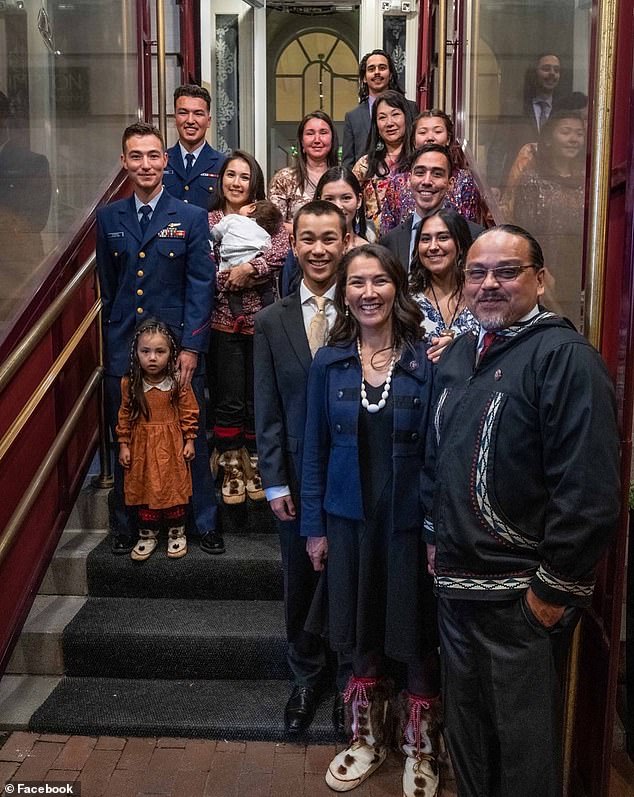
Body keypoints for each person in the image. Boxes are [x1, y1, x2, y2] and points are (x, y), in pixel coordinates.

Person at [424, 225, 621, 797]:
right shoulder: (460, 355)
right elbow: (436, 458)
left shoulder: (565, 358)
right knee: (471, 745)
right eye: (477, 273)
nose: (489, 284)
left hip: (521, 604)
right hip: (457, 595)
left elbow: (588, 494)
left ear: (540, 279)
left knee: (524, 759)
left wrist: (550, 593)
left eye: (506, 272)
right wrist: (436, 538)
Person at [301, 244, 440, 796]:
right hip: (348, 519)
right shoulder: (327, 364)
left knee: (413, 631)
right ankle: (366, 741)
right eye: (356, 283)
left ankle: (422, 748)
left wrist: (435, 530)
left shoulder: (425, 363)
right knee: (359, 627)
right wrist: (314, 526)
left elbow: (437, 452)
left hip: (407, 521)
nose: (368, 293)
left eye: (379, 281)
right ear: (344, 294)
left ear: (397, 289)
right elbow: (312, 450)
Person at [96, 122, 223, 555]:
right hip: (124, 349)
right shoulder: (109, 217)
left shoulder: (189, 217)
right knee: (126, 437)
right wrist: (114, 346)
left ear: (165, 161)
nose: (145, 164)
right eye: (136, 156)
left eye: (153, 156)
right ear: (124, 162)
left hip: (177, 351)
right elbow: (110, 288)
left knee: (193, 432)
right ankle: (126, 525)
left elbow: (201, 286)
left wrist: (191, 347)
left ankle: (202, 522)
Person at [254, 201, 351, 737]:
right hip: (293, 476)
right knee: (300, 578)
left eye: (329, 239)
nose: (318, 249)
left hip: (352, 473)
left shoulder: (365, 309)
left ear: (345, 241)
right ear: (293, 246)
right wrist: (272, 480)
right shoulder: (271, 321)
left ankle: (345, 681)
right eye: (308, 239)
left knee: (348, 578)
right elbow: (265, 409)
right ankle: (306, 677)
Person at [208, 151, 289, 505]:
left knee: (259, 396)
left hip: (263, 324)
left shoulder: (268, 218)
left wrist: (250, 269)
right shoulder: (208, 219)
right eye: (231, 175)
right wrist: (230, 276)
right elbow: (204, 267)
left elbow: (282, 250)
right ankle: (231, 464)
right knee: (228, 396)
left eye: (244, 176)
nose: (236, 182)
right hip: (222, 322)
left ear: (253, 183)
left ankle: (257, 463)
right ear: (220, 180)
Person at [116, 318, 198, 560]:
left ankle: (176, 532)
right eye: (146, 351)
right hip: (141, 446)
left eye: (160, 351)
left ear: (171, 353)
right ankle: (147, 534)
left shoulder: (176, 382)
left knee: (172, 487)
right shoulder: (130, 383)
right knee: (144, 486)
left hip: (171, 445)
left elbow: (189, 410)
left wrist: (189, 439)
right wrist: (123, 444)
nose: (152, 358)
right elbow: (124, 415)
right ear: (136, 353)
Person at [512, 112, 586, 327]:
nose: (573, 139)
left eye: (579, 134)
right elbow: (523, 230)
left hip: (576, 268)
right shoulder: (532, 179)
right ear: (549, 138)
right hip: (546, 269)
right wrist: (540, 268)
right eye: (566, 132)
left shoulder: (588, 179)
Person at [380, 144, 483, 272]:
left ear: (450, 184)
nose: (427, 181)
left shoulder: (476, 236)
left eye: (437, 174)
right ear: (409, 180)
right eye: (420, 173)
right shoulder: (390, 241)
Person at [380, 109, 483, 235]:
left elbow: (469, 229)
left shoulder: (464, 180)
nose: (430, 138)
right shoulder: (398, 182)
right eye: (423, 132)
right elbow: (388, 233)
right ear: (413, 140)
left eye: (438, 131)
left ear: (448, 138)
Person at [279, 166, 372, 297]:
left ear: (359, 200)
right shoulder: (302, 250)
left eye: (346, 198)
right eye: (329, 199)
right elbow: (286, 301)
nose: (338, 206)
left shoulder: (369, 251)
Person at [409, 208, 477, 360]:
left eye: (443, 237)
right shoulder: (406, 298)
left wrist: (460, 349)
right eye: (425, 239)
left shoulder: (481, 295)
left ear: (460, 244)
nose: (433, 247)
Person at [488, 53, 562, 189]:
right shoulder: (514, 107)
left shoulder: (563, 109)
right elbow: (498, 148)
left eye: (556, 70)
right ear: (534, 73)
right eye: (546, 69)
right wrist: (494, 185)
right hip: (517, 183)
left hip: (553, 185)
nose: (552, 73)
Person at [342, 49, 418, 170]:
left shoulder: (411, 108)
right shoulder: (352, 117)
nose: (377, 72)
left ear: (391, 74)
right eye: (371, 69)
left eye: (382, 68)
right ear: (365, 78)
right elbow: (347, 164)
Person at [210, 198, 283, 323]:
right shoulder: (265, 233)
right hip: (254, 260)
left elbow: (213, 234)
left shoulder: (232, 219)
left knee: (233, 291)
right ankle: (271, 311)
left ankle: (238, 316)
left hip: (230, 262)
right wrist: (254, 266)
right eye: (231, 176)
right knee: (266, 290)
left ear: (252, 207)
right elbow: (268, 249)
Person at [352, 90, 415, 230]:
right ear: (376, 124)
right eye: (382, 117)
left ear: (406, 118)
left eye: (395, 115)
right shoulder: (365, 164)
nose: (389, 123)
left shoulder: (420, 162)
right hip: (373, 244)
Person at [268, 111, 339, 233]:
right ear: (301, 142)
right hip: (295, 248)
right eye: (310, 133)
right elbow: (274, 224)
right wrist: (309, 232)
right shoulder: (284, 178)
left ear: (332, 138)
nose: (317, 139)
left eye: (323, 133)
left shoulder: (342, 178)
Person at [163, 84, 226, 210]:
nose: (190, 120)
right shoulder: (160, 161)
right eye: (183, 113)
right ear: (175, 118)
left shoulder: (223, 165)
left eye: (198, 113)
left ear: (208, 121)